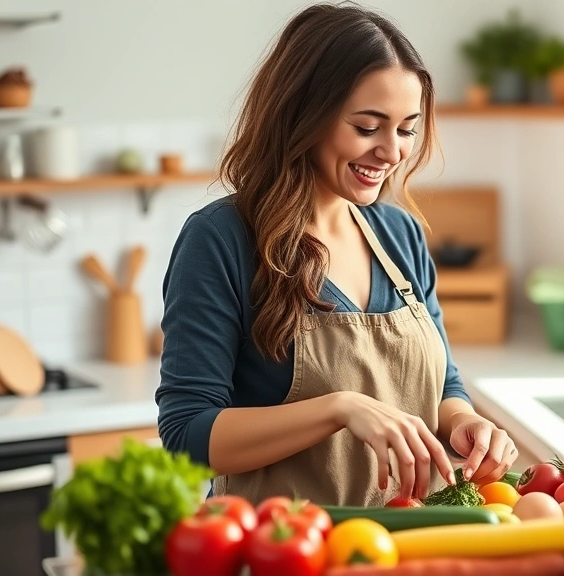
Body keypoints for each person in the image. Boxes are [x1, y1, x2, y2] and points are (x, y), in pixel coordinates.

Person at [154, 2, 518, 507]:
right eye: (368, 127)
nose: (391, 152)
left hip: (411, 548)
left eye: (407, 128)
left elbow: (444, 384)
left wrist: (466, 421)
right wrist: (339, 409)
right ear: (303, 116)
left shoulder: (400, 234)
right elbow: (187, 436)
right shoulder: (220, 240)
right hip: (286, 550)